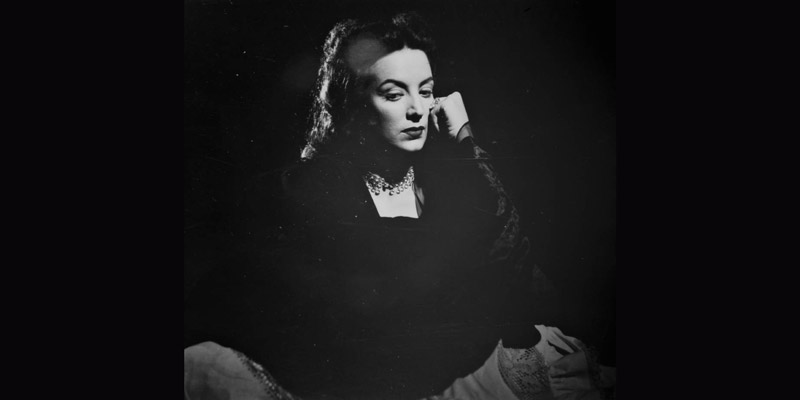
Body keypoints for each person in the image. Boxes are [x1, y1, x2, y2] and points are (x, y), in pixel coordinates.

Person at [185, 12, 614, 400]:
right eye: (393, 95)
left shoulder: (451, 183)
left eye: (426, 92)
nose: (416, 110)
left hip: (450, 371)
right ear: (352, 105)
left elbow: (518, 278)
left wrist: (464, 140)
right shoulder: (304, 190)